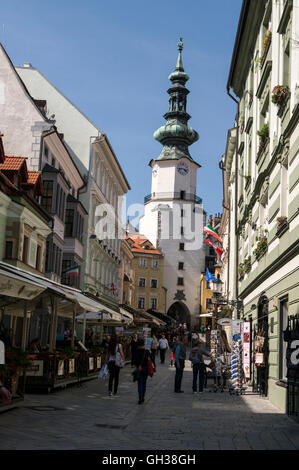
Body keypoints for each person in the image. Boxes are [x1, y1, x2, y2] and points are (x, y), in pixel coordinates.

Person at [134, 338, 154, 404]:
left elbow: (134, 361)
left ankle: (140, 398)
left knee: (140, 383)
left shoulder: (136, 351)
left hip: (139, 369)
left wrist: (138, 365)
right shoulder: (147, 351)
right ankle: (142, 397)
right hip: (145, 369)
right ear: (144, 344)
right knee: (144, 383)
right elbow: (151, 359)